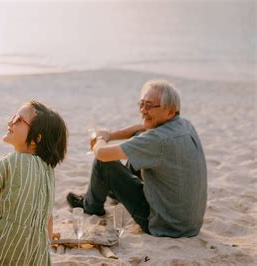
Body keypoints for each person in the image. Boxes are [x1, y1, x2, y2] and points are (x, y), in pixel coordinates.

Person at [67, 80, 207, 238]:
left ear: (170, 111)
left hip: (164, 225)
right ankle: (116, 190)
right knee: (139, 138)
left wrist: (100, 138)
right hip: (189, 223)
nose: (142, 110)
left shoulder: (157, 140)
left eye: (149, 106)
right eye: (141, 104)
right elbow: (141, 128)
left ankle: (91, 206)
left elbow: (102, 154)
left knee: (103, 163)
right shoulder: (184, 125)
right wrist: (111, 135)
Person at [0, 100, 68, 265]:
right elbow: (48, 217)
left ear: (36, 138)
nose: (10, 122)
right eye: (13, 116)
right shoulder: (48, 171)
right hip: (34, 256)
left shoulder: (12, 162)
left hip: (0, 250)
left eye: (18, 120)